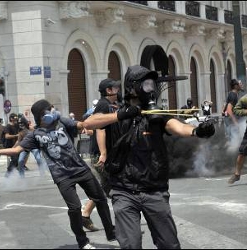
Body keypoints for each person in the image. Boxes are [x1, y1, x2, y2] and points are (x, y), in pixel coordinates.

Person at [83, 65, 215, 249]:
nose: (151, 88)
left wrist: (198, 131)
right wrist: (122, 115)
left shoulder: (157, 115)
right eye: (146, 84)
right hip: (124, 191)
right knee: (131, 245)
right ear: (132, 87)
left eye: (152, 83)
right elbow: (89, 123)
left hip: (155, 190)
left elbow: (179, 127)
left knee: (170, 245)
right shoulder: (116, 111)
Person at [0, 99, 116, 249]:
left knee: (100, 198)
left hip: (80, 169)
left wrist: (81, 123)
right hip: (62, 176)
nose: (54, 111)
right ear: (41, 115)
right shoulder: (35, 134)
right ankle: (83, 241)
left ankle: (111, 232)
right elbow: (16, 150)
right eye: (50, 109)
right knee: (74, 208)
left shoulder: (62, 122)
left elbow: (82, 126)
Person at [81, 78, 122, 232]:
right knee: (118, 186)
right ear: (108, 90)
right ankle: (123, 223)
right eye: (115, 87)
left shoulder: (113, 104)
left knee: (104, 188)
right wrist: (103, 153)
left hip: (108, 153)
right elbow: (100, 128)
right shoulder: (104, 104)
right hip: (100, 154)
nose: (118, 89)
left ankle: (85, 215)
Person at [4, 113, 19, 177]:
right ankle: (8, 174)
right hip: (10, 146)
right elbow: (7, 136)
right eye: (15, 118)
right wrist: (16, 135)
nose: (16, 119)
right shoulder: (8, 126)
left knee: (17, 160)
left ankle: (11, 173)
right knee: (15, 159)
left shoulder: (16, 126)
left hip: (16, 146)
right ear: (11, 119)